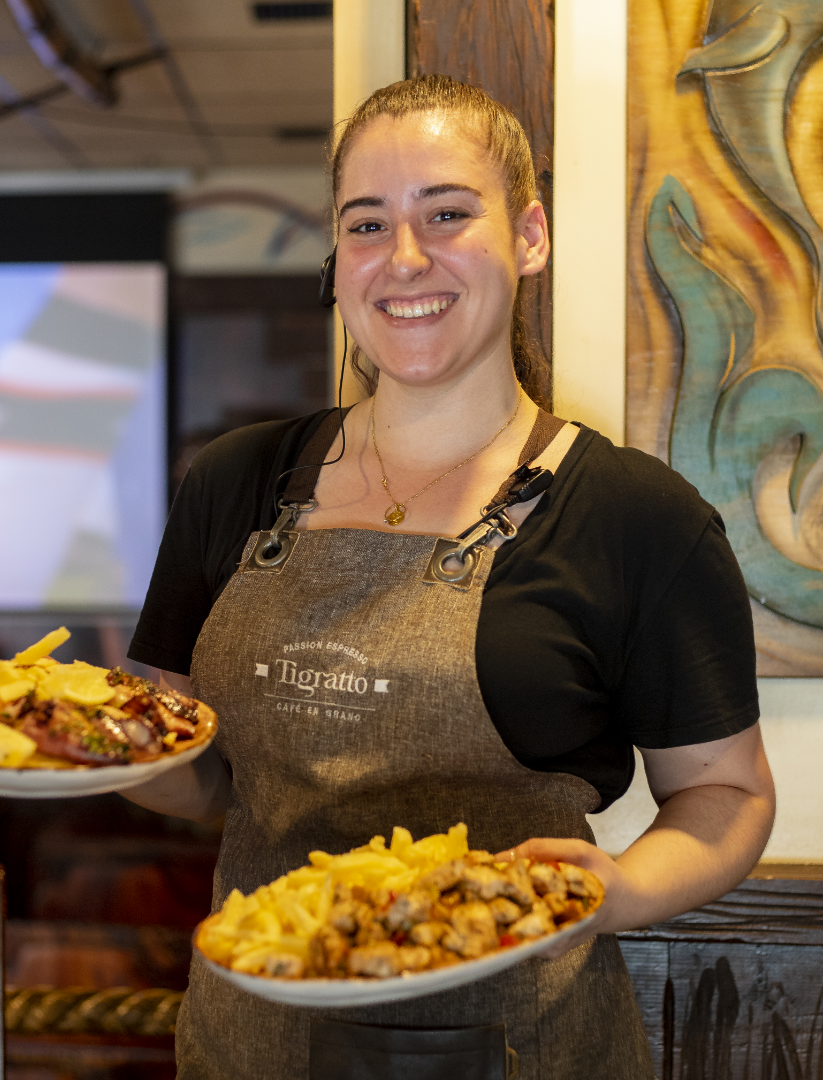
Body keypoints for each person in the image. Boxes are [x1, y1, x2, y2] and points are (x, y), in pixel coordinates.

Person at [123, 76, 775, 1079]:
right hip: (252, 1043)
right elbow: (191, 777)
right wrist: (94, 752)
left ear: (531, 237)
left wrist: (625, 890)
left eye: (448, 213)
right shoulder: (234, 482)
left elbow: (727, 794)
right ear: (338, 262)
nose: (406, 258)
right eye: (367, 223)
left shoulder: (637, 519)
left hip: (523, 1043)